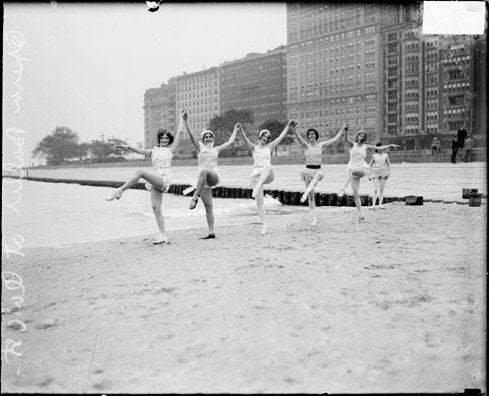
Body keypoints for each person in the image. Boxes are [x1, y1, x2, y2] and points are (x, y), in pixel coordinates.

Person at [105, 110, 184, 244]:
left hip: (163, 178)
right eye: (162, 138)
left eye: (166, 138)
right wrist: (127, 146)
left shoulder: (170, 150)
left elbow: (180, 134)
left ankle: (120, 190)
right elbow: (138, 150)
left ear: (168, 140)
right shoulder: (152, 151)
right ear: (159, 139)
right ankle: (163, 235)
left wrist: (182, 119)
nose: (164, 140)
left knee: (140, 172)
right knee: (156, 208)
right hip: (155, 180)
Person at [183, 113, 239, 239]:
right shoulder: (199, 149)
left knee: (204, 171)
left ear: (213, 139)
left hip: (213, 176)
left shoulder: (216, 149)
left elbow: (230, 142)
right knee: (208, 207)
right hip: (203, 182)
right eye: (206, 137)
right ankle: (211, 232)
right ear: (203, 139)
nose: (208, 138)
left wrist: (235, 130)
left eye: (210, 137)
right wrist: (186, 121)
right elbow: (191, 135)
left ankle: (194, 197)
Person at [239, 120, 295, 235]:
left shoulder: (269, 147)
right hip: (256, 175)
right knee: (259, 203)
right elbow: (245, 139)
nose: (265, 138)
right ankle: (264, 225)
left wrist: (288, 126)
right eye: (264, 136)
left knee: (268, 165)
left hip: (268, 175)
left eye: (267, 137)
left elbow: (280, 137)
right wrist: (240, 129)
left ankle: (258, 186)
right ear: (260, 136)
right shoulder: (253, 148)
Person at [291, 122, 348, 226]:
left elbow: (334, 139)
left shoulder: (321, 145)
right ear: (308, 137)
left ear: (316, 135)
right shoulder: (306, 146)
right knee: (311, 198)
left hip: (318, 170)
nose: (311, 136)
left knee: (319, 174)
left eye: (313, 134)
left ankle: (305, 193)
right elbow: (298, 137)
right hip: (308, 171)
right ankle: (314, 219)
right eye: (309, 135)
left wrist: (342, 129)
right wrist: (294, 128)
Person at [344, 130, 399, 223]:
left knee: (353, 171)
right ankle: (360, 215)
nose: (361, 137)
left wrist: (391, 145)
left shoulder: (366, 146)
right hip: (353, 170)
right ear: (357, 136)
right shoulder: (353, 144)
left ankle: (343, 186)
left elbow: (380, 147)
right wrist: (345, 131)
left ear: (364, 138)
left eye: (363, 136)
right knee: (355, 194)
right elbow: (345, 139)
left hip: (362, 169)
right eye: (360, 135)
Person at [368, 143, 391, 210]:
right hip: (375, 173)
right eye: (378, 148)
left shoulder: (386, 155)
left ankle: (380, 204)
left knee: (381, 190)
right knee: (375, 190)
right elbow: (370, 165)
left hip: (383, 173)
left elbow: (388, 164)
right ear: (376, 149)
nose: (380, 149)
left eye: (381, 148)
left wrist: (389, 173)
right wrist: (369, 174)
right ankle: (373, 205)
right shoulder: (374, 156)